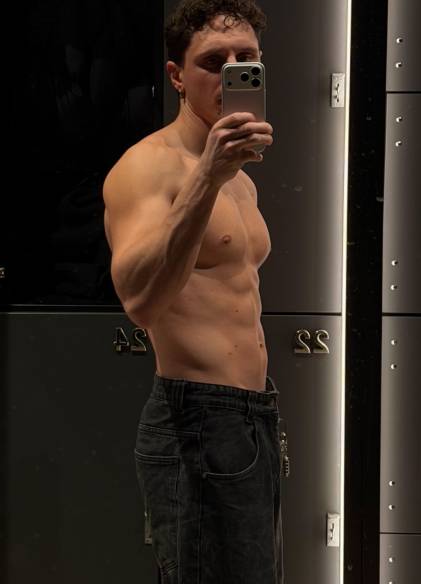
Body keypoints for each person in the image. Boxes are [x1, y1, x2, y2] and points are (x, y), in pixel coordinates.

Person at [102, 1, 284, 582]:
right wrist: (207, 175)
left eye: (246, 58)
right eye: (212, 61)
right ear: (177, 75)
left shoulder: (242, 180)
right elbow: (140, 302)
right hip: (196, 419)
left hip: (252, 416)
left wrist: (218, 171)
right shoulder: (147, 168)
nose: (231, 71)